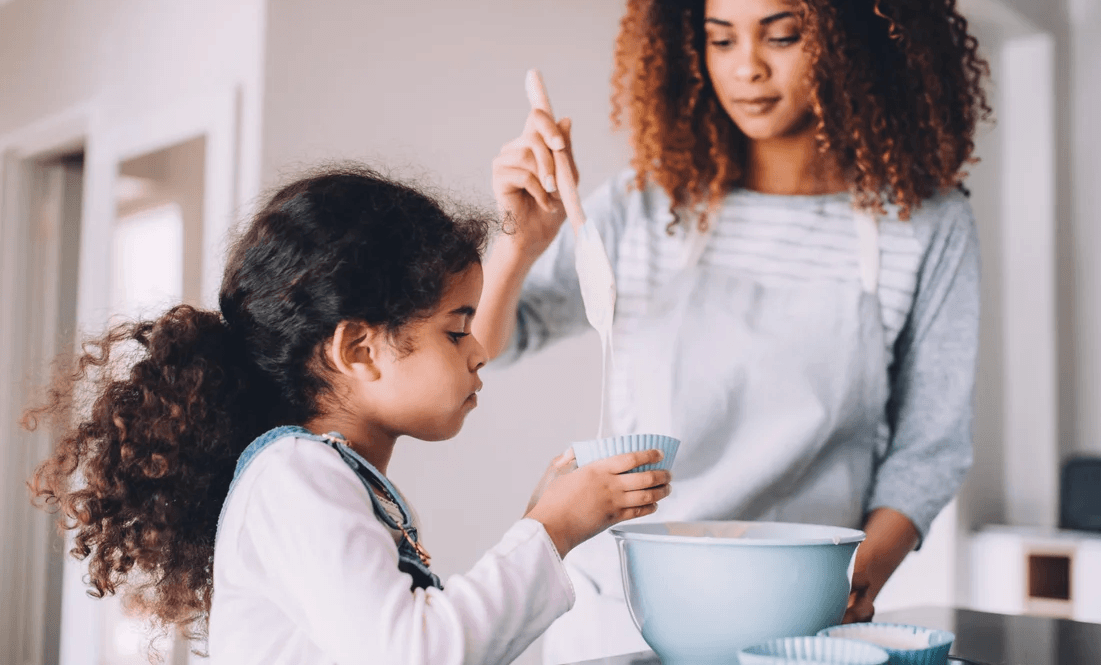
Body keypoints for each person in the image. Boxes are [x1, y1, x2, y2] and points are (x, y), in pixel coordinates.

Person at [478, 0, 989, 661]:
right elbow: (493, 343)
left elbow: (927, 452)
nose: (746, 68)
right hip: (619, 602)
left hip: (795, 616)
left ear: (856, 35)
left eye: (782, 36)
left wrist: (856, 578)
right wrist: (516, 246)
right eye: (720, 41)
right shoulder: (647, 202)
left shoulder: (924, 223)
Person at [25, 166, 673, 665]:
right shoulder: (296, 478)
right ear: (357, 348)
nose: (480, 353)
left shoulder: (325, 479)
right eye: (455, 331)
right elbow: (416, 653)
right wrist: (549, 530)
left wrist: (540, 523)